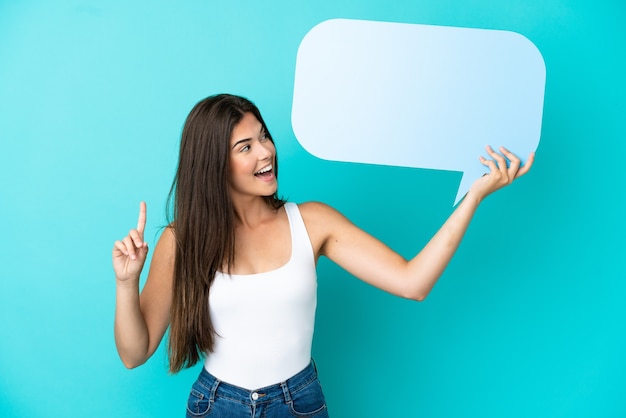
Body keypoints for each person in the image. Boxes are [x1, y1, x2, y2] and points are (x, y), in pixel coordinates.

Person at [113, 94, 534, 418]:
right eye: (245, 146)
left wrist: (474, 196)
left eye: (264, 136)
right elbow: (135, 353)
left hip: (297, 402)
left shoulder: (312, 222)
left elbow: (413, 282)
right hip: (216, 404)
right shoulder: (183, 239)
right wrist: (127, 283)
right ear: (213, 164)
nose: (265, 152)